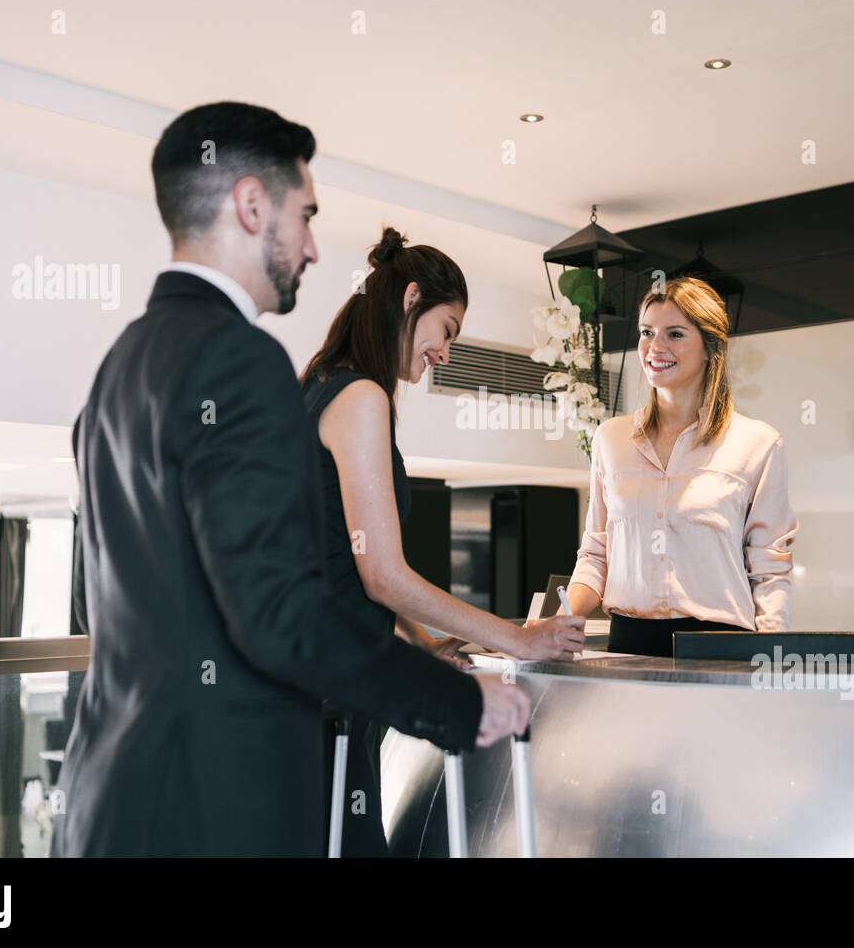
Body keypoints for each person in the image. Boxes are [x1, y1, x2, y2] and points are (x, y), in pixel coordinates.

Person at [52, 102, 528, 857]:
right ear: (250, 205)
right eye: (304, 216)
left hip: (106, 806)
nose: (310, 247)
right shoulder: (240, 363)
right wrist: (460, 703)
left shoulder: (118, 368)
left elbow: (91, 604)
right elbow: (281, 615)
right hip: (218, 813)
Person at [302, 226, 585, 855]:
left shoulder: (323, 382)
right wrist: (515, 637)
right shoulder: (362, 397)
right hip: (328, 705)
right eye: (448, 330)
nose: (447, 354)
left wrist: (425, 644)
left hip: (326, 695)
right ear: (410, 301)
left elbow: (342, 566)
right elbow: (381, 574)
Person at [560, 277, 798, 656]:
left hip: (719, 646)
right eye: (646, 332)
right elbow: (595, 554)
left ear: (710, 347)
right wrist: (562, 617)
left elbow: (770, 571)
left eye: (674, 334)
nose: (655, 347)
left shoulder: (758, 443)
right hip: (628, 644)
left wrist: (769, 657)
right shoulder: (611, 439)